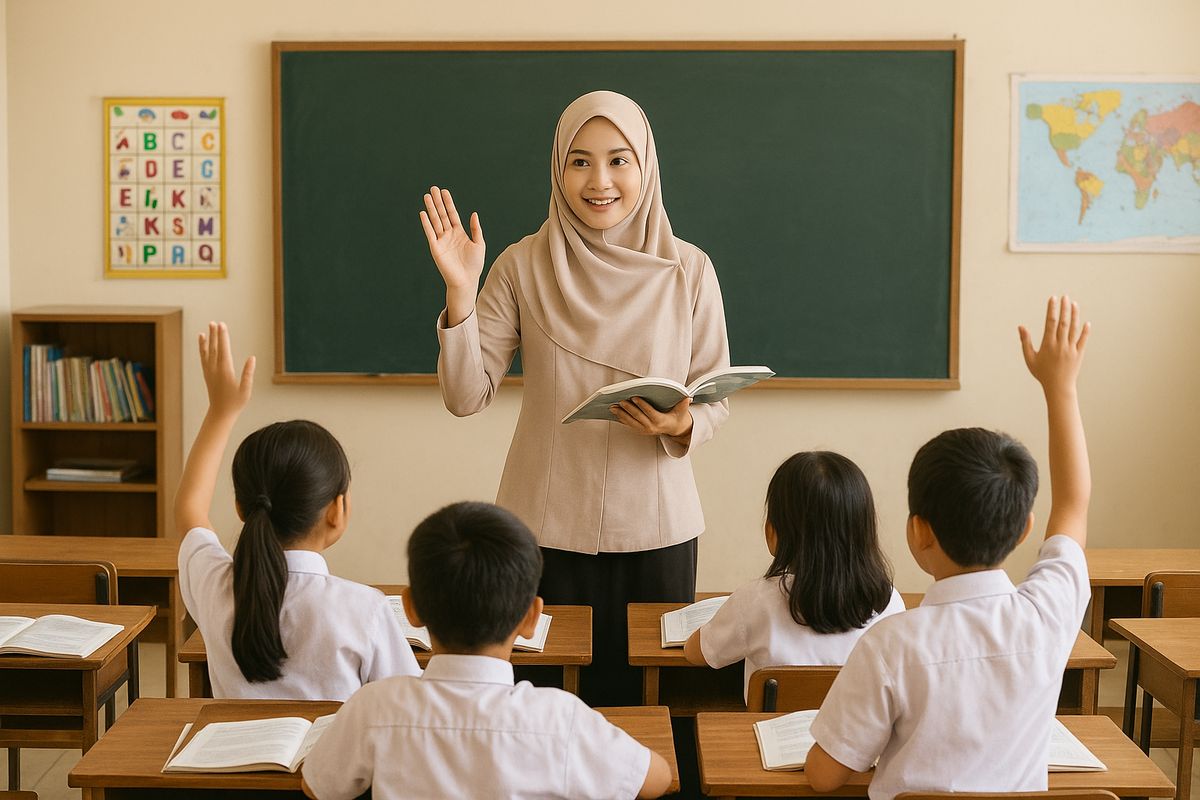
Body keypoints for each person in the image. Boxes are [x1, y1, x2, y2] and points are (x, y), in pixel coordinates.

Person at [423, 90, 730, 704]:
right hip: (544, 526)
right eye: (580, 161)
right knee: (543, 706)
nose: (600, 181)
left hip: (659, 525)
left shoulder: (690, 269)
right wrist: (461, 291)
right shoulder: (518, 265)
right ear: (558, 168)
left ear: (646, 166)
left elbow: (715, 394)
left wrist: (680, 422)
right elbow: (465, 396)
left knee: (654, 708)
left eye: (619, 160)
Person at [805, 296, 1092, 799]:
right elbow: (1073, 503)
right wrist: (1060, 387)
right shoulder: (1049, 616)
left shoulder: (891, 644)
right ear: (1024, 529)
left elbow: (825, 776)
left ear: (918, 531)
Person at [301, 501, 673, 800]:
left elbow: (317, 786)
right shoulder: (560, 719)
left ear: (411, 609)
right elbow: (656, 779)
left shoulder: (374, 707)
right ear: (531, 617)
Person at [175, 322, 420, 700]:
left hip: (234, 761)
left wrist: (221, 412)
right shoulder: (364, 610)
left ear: (242, 507)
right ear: (337, 510)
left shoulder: (215, 588)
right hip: (332, 762)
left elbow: (190, 507)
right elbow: (407, 706)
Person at [682, 451, 906, 700]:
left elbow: (696, 652)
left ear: (773, 531)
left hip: (772, 737)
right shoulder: (890, 602)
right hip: (860, 738)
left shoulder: (756, 600)